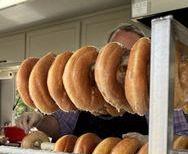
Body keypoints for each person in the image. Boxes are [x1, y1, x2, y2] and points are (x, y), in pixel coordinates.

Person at [16, 23, 188, 140]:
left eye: (130, 54)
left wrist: (150, 143)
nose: (124, 63)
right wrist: (38, 119)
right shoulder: (83, 82)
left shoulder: (157, 90)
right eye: (117, 52)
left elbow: (181, 137)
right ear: (106, 54)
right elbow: (60, 126)